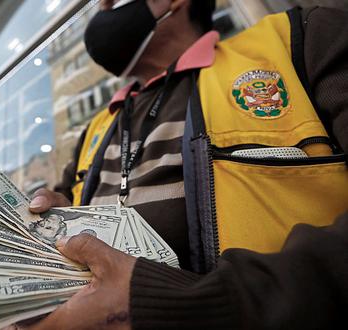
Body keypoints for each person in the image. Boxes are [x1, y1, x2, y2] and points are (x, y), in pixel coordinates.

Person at [23, 0, 348, 329]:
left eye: (112, 1)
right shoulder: (96, 129)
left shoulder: (302, 39)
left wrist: (189, 305)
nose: (102, 9)